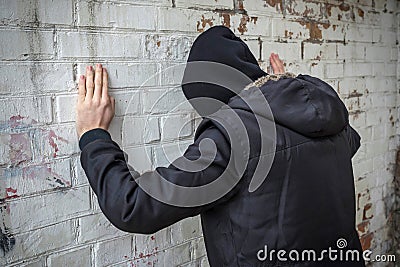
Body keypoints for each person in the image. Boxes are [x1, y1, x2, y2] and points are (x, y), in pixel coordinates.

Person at [76, 26, 365, 266]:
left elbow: (133, 206)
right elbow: (348, 143)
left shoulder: (231, 140)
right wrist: (284, 94)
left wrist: (93, 135)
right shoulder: (330, 120)